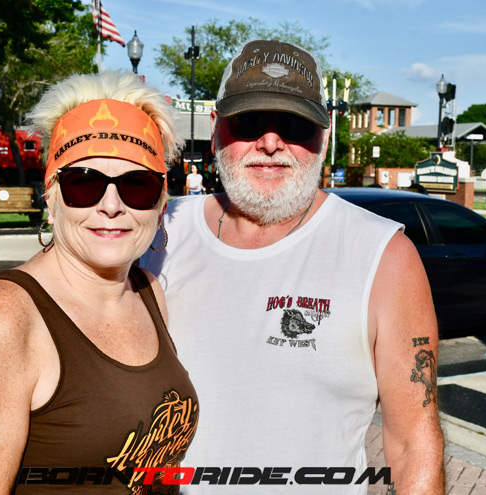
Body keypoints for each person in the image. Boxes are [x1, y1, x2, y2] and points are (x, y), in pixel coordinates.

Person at [141, 40, 444, 494]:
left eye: (294, 124)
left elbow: (413, 444)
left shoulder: (384, 255)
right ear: (216, 128)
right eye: (249, 121)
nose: (270, 142)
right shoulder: (158, 230)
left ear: (324, 137)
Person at [0, 71, 199, 494]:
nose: (111, 205)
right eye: (84, 183)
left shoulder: (147, 291)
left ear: (161, 205)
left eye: (137, 185)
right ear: (51, 199)